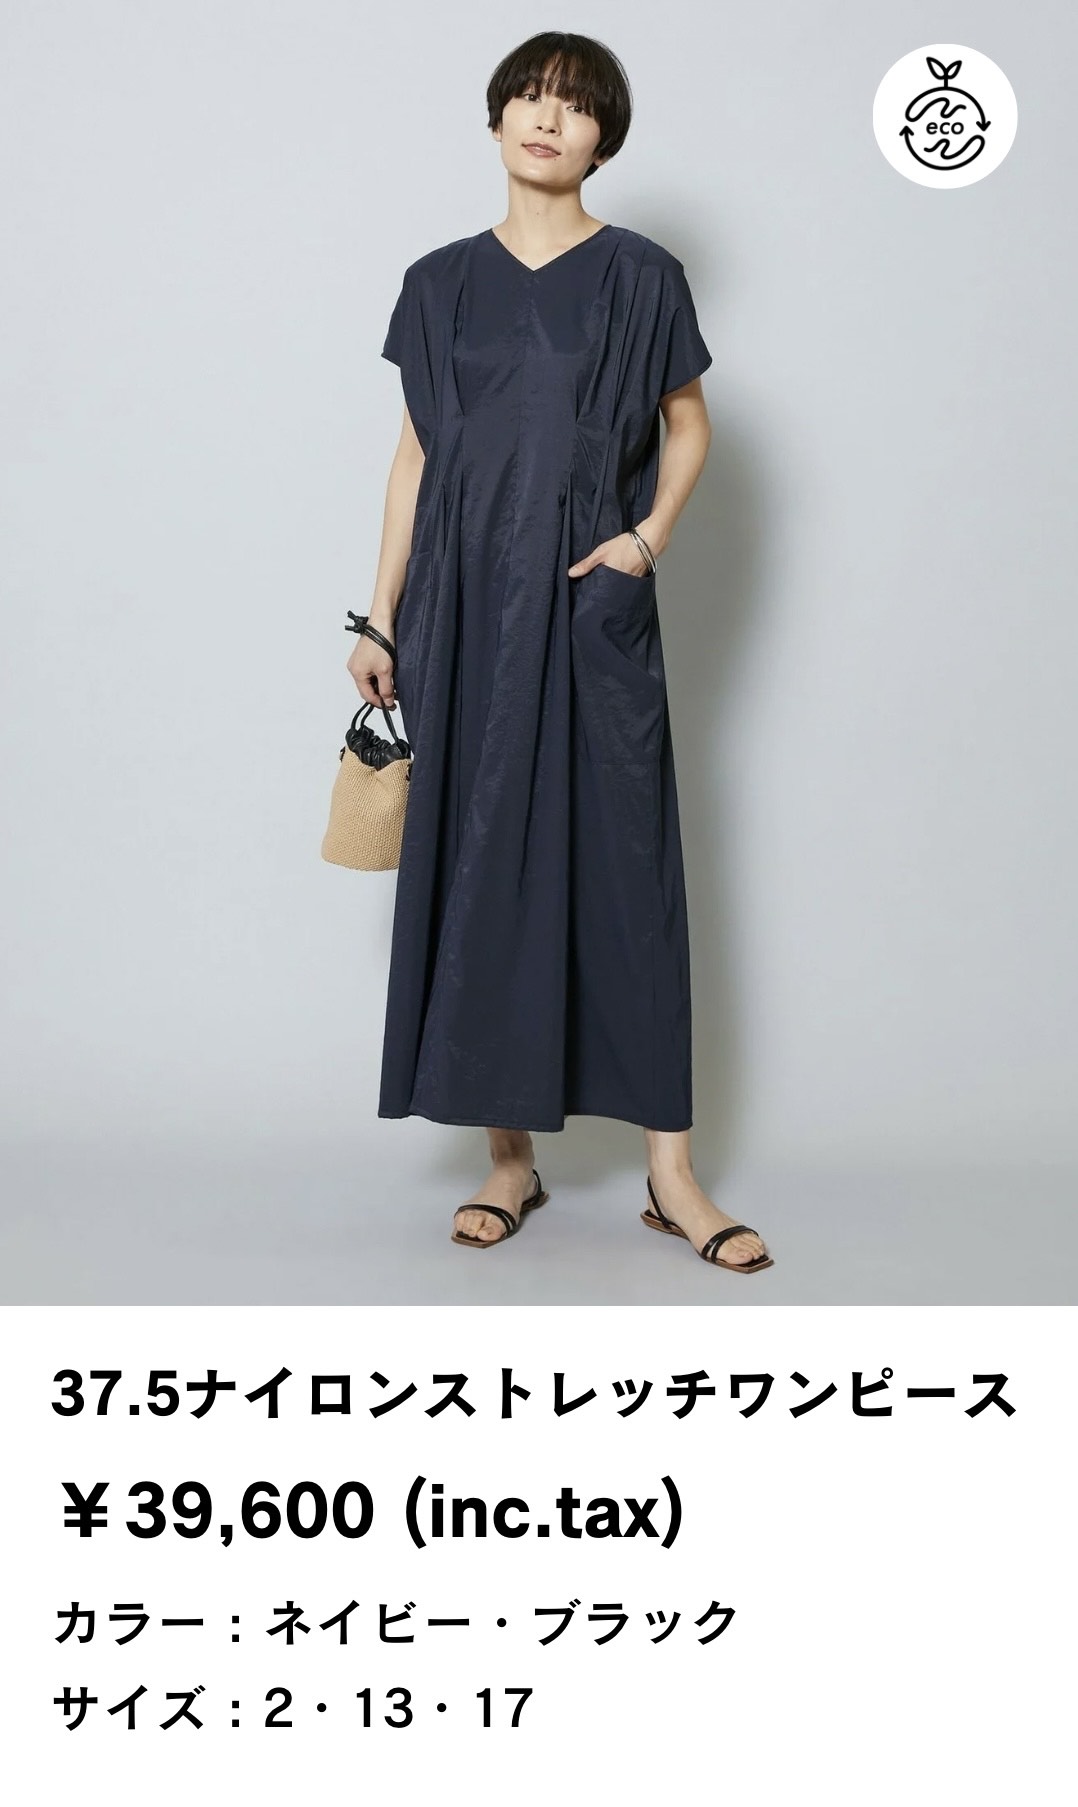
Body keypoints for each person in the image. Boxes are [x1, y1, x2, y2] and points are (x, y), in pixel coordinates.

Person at [348, 31, 772, 1274]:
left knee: (627, 876)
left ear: (603, 139)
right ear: (495, 120)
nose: (547, 118)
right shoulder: (438, 283)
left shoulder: (642, 276)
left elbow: (686, 423)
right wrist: (382, 615)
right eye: (528, 97)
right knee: (484, 860)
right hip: (463, 605)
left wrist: (648, 538)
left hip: (589, 602)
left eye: (575, 105)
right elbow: (416, 455)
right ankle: (509, 1161)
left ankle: (672, 1178)